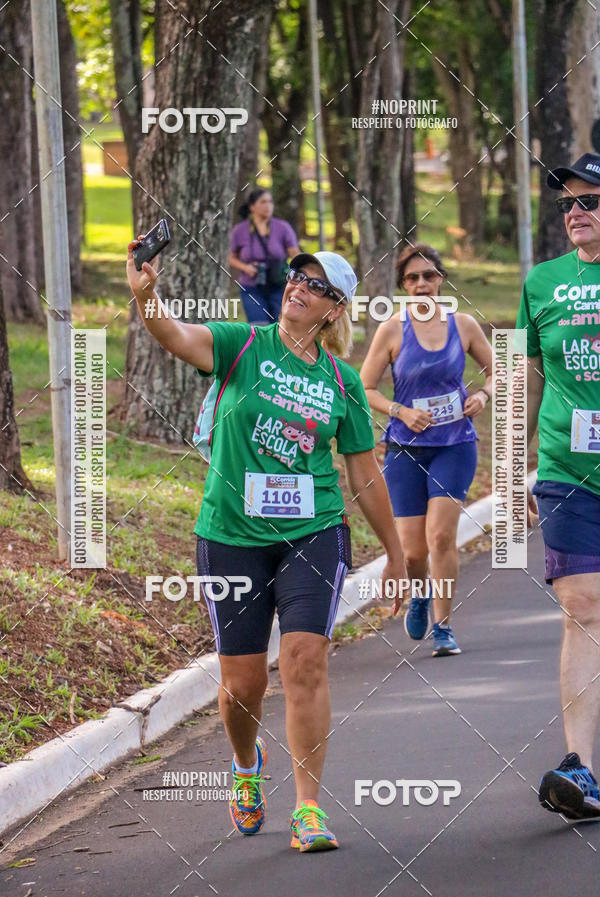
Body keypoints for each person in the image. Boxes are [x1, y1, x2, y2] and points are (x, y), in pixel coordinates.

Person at [127, 244, 407, 851]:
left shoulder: (340, 384)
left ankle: (308, 808)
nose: (297, 288)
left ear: (334, 310)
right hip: (230, 535)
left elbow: (363, 474)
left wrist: (397, 554)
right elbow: (172, 335)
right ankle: (246, 764)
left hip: (313, 532)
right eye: (296, 277)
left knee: (305, 659)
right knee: (241, 686)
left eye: (315, 285)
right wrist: (147, 292)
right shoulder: (241, 345)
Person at [517, 153, 600, 821]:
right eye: (569, 202)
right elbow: (529, 376)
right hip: (567, 471)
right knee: (581, 604)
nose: (576, 211)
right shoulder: (541, 282)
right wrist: (519, 463)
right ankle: (581, 766)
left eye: (590, 200)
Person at [361, 244, 493, 657]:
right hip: (404, 450)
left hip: (454, 445)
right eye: (413, 278)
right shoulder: (391, 330)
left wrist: (484, 395)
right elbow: (364, 388)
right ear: (403, 285)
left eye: (430, 276)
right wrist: (400, 410)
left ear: (441, 280)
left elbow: (498, 368)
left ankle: (444, 624)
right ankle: (419, 594)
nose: (422, 285)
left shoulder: (464, 325)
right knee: (414, 553)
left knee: (441, 537)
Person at [229, 188, 300, 325]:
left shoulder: (282, 227)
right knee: (258, 326)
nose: (268, 206)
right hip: (251, 286)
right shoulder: (240, 230)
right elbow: (230, 257)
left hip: (278, 285)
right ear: (252, 207)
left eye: (270, 202)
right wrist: (246, 267)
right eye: (263, 202)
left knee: (280, 326)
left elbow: (295, 255)